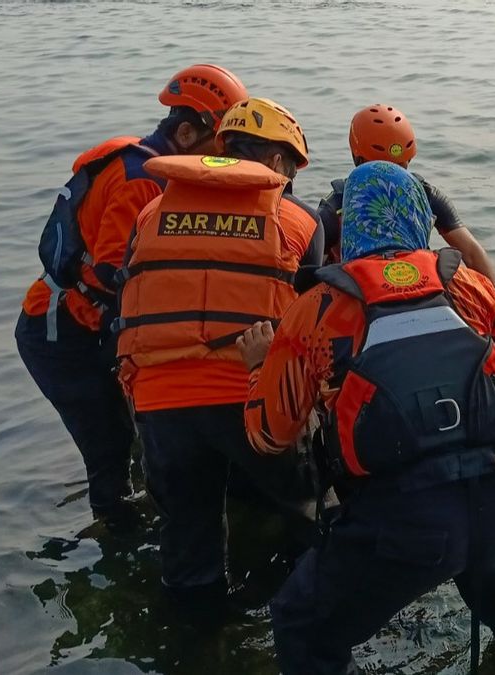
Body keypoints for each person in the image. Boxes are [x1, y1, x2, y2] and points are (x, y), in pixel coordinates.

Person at [238, 161, 495, 674]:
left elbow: (270, 436)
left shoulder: (318, 307)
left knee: (302, 623)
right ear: (417, 217)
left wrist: (258, 369)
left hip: (400, 522)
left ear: (351, 226)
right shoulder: (472, 288)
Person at [15, 64, 248, 524]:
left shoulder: (148, 166)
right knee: (108, 448)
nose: (220, 159)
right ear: (186, 132)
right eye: (218, 145)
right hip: (61, 333)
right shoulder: (141, 179)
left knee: (136, 432)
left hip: (83, 324)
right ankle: (116, 533)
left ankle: (139, 513)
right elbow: (109, 272)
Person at [114, 97, 323, 593]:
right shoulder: (299, 220)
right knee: (306, 507)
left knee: (187, 533)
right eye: (290, 171)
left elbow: (133, 291)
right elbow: (315, 317)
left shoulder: (150, 212)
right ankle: (300, 606)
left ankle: (197, 634)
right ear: (276, 163)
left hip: (160, 401)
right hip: (250, 395)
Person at [318, 104, 495, 349]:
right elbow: (471, 252)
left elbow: (472, 252)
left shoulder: (336, 206)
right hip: (406, 298)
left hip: (365, 306)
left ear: (357, 156)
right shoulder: (421, 196)